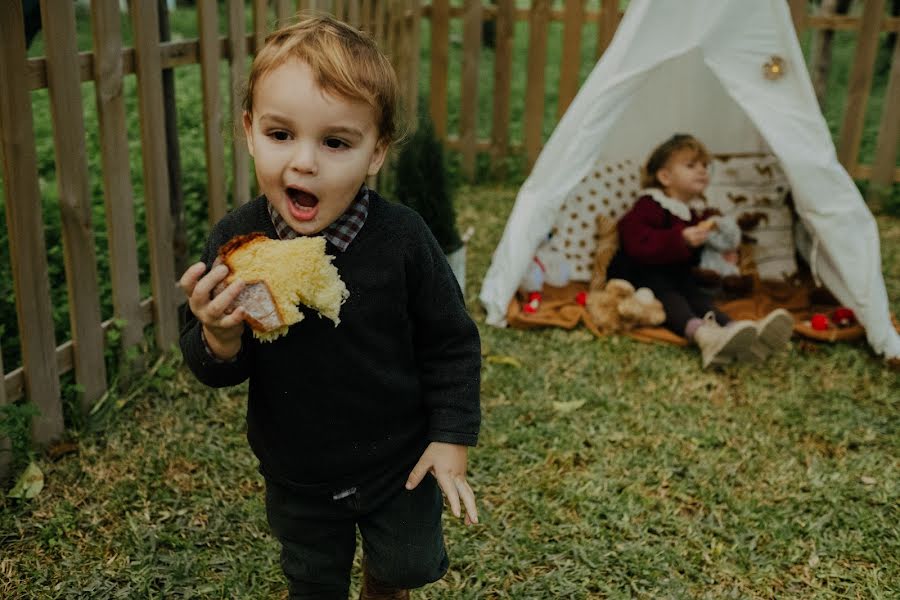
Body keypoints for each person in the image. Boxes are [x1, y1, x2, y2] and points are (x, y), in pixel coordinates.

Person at [178, 14, 481, 599]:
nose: (304, 163)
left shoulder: (403, 241)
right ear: (249, 132)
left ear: (375, 153)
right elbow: (218, 367)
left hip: (400, 458)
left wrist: (451, 437)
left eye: (336, 142)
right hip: (298, 465)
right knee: (312, 578)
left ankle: (383, 583)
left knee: (410, 565)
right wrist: (217, 337)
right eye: (280, 134)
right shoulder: (236, 243)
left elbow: (451, 341)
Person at [607, 133, 793, 368]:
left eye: (705, 165)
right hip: (643, 275)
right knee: (672, 300)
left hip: (677, 276)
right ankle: (703, 337)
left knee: (698, 297)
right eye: (691, 165)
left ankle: (738, 332)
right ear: (665, 176)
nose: (702, 170)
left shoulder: (693, 212)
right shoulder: (650, 204)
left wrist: (716, 250)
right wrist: (680, 239)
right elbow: (635, 242)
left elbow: (702, 249)